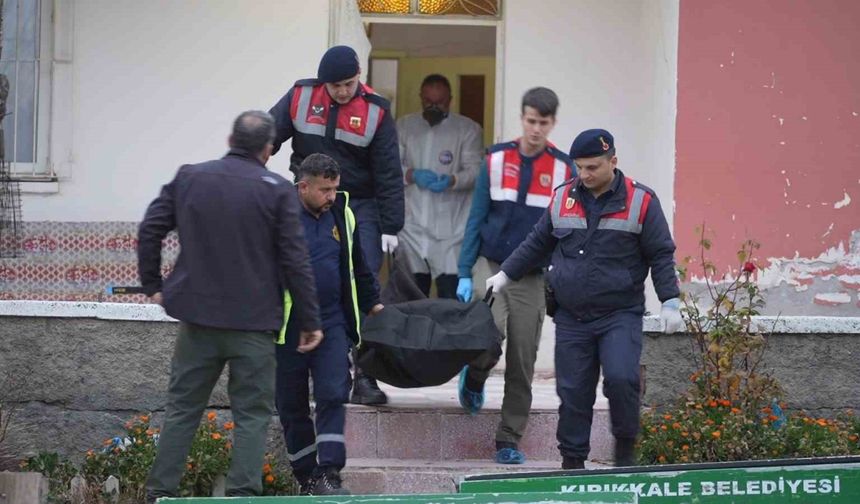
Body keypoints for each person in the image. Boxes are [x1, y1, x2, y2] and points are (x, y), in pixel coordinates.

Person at [138, 111, 323, 502]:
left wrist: (153, 285)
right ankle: (241, 496)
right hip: (254, 327)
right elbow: (295, 259)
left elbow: (151, 227)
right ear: (269, 150)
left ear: (229, 140)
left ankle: (159, 494)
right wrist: (309, 319)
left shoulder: (190, 177)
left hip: (198, 323)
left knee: (183, 410)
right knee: (252, 415)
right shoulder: (276, 191)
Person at [485, 129, 684, 469]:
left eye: (593, 167)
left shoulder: (641, 201)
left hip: (619, 314)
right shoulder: (563, 197)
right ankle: (572, 463)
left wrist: (670, 300)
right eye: (580, 167)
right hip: (571, 316)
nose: (585, 175)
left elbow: (661, 255)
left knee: (622, 379)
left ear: (613, 162)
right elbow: (537, 243)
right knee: (573, 392)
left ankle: (624, 452)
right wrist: (505, 275)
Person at [269, 45, 403, 405]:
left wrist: (391, 226)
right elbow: (269, 136)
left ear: (360, 75)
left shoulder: (376, 110)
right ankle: (309, 366)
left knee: (364, 287)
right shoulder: (301, 95)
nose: (342, 91)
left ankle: (366, 377)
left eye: (348, 83)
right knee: (302, 276)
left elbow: (389, 172)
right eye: (335, 86)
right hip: (307, 197)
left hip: (360, 204)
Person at [456, 87, 573, 465]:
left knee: (523, 358)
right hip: (490, 266)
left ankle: (509, 438)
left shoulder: (562, 169)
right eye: (530, 120)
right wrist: (463, 271)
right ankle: (474, 377)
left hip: (531, 276)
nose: (535, 129)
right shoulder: (494, 159)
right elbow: (476, 218)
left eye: (543, 122)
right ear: (521, 118)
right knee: (488, 337)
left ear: (553, 123)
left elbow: (564, 230)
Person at [275, 153, 382, 496]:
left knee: (333, 393)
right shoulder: (279, 215)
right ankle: (307, 477)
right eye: (325, 190)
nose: (332, 196)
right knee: (290, 404)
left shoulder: (342, 213)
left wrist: (373, 303)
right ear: (302, 186)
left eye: (335, 188)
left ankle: (330, 472)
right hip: (288, 326)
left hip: (333, 320)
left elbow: (358, 263)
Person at [397, 74, 483, 299]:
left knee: (449, 302)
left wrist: (453, 180)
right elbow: (388, 168)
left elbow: (476, 171)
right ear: (420, 98)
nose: (433, 107)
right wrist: (412, 174)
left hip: (451, 232)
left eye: (440, 102)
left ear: (450, 100)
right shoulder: (405, 126)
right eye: (428, 101)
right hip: (412, 229)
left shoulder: (467, 129)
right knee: (412, 301)